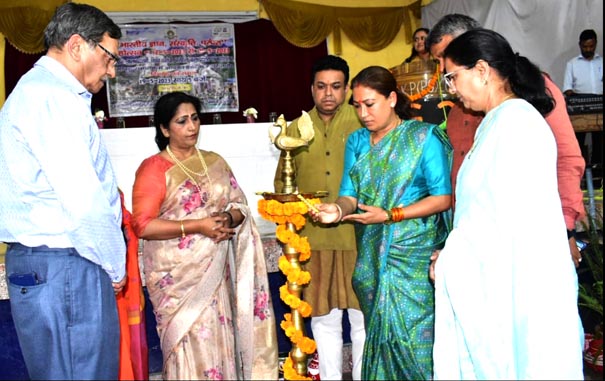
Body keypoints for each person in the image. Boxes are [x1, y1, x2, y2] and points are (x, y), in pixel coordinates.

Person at [432, 28, 584, 379]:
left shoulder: (515, 124)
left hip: (522, 283)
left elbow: (506, 219)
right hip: (510, 279)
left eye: (453, 77)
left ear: (482, 71)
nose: (451, 89)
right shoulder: (498, 122)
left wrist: (454, 258)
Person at [0, 3, 126, 380]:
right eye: (108, 57)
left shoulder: (34, 91)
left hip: (45, 264)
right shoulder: (54, 97)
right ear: (76, 46)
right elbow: (84, 201)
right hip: (68, 264)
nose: (112, 70)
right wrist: (115, 264)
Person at [311, 65, 452, 380]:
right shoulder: (358, 141)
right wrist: (336, 209)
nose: (363, 113)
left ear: (391, 98)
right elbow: (349, 194)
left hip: (413, 259)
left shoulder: (422, 137)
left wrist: (391, 215)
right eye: (357, 105)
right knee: (380, 337)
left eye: (369, 104)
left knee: (416, 344)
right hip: (372, 257)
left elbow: (443, 199)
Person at [131, 91, 278, 380]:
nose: (191, 127)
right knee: (191, 340)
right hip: (177, 280)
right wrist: (198, 226)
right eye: (181, 121)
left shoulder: (215, 161)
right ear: (164, 129)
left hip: (217, 271)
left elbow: (240, 205)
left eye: (195, 118)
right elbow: (143, 225)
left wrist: (227, 218)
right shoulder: (154, 168)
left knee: (220, 339)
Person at [427, 14, 586, 267]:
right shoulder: (458, 112)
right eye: (438, 61)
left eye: (450, 59)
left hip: (519, 245)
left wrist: (565, 228)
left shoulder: (523, 107)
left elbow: (565, 160)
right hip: (478, 244)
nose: (444, 69)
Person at [273, 55, 366, 381]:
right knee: (323, 318)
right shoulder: (296, 128)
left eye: (337, 87)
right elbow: (282, 184)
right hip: (314, 239)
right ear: (311, 89)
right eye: (322, 86)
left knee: (360, 317)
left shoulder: (361, 122)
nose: (329, 94)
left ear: (347, 89)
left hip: (358, 236)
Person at [563, 29, 603, 96]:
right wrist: (581, 99)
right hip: (580, 104)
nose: (588, 49)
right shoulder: (572, 64)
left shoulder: (601, 62)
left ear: (596, 44)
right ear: (580, 45)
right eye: (584, 47)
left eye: (591, 46)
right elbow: (567, 90)